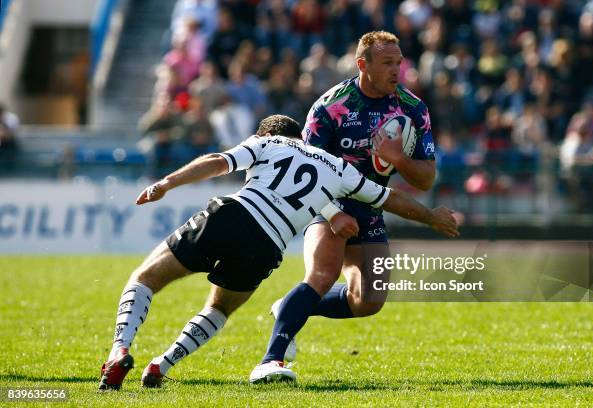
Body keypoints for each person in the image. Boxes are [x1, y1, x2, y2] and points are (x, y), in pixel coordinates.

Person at [97, 114, 458, 390]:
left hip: (233, 217)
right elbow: (388, 197)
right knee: (219, 308)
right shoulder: (336, 166)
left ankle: (119, 351)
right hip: (268, 245)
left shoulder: (268, 143)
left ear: (267, 134)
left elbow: (219, 160)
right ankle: (162, 366)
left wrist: (167, 183)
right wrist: (431, 216)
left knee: (145, 278)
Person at [252, 31, 438, 382]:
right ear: (362, 65)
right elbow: (304, 169)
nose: (397, 70)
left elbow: (426, 177)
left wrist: (399, 158)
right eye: (387, 63)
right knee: (322, 274)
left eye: (399, 62)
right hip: (327, 202)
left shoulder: (413, 108)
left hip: (373, 206)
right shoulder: (330, 107)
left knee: (369, 299)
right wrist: (332, 214)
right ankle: (271, 360)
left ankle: (291, 307)